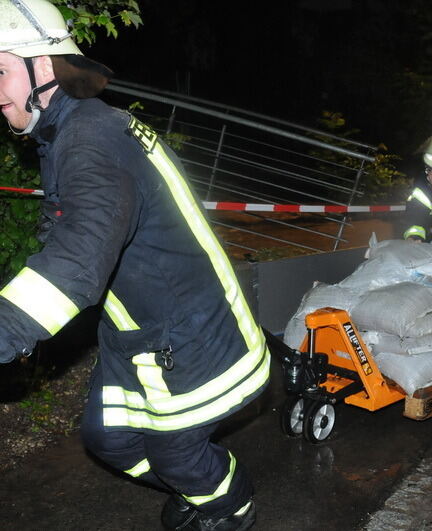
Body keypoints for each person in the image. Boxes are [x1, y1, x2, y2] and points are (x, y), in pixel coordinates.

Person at [0, 1, 269, 530]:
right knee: (108, 437)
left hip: (190, 336)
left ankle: (228, 504)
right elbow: (71, 235)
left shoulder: (90, 139)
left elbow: (77, 261)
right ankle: (194, 484)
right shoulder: (74, 131)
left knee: (176, 454)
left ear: (44, 68)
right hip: (140, 333)